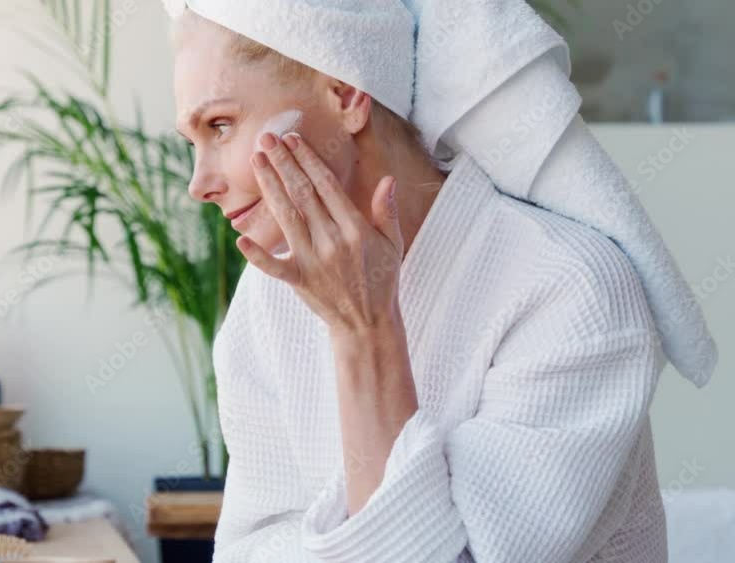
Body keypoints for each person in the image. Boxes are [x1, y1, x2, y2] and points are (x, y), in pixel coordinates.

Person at [168, 2, 715, 562]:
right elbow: (248, 549)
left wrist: (365, 332)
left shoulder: (575, 291)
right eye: (194, 142)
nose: (199, 184)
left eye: (221, 126)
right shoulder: (269, 298)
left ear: (345, 94)